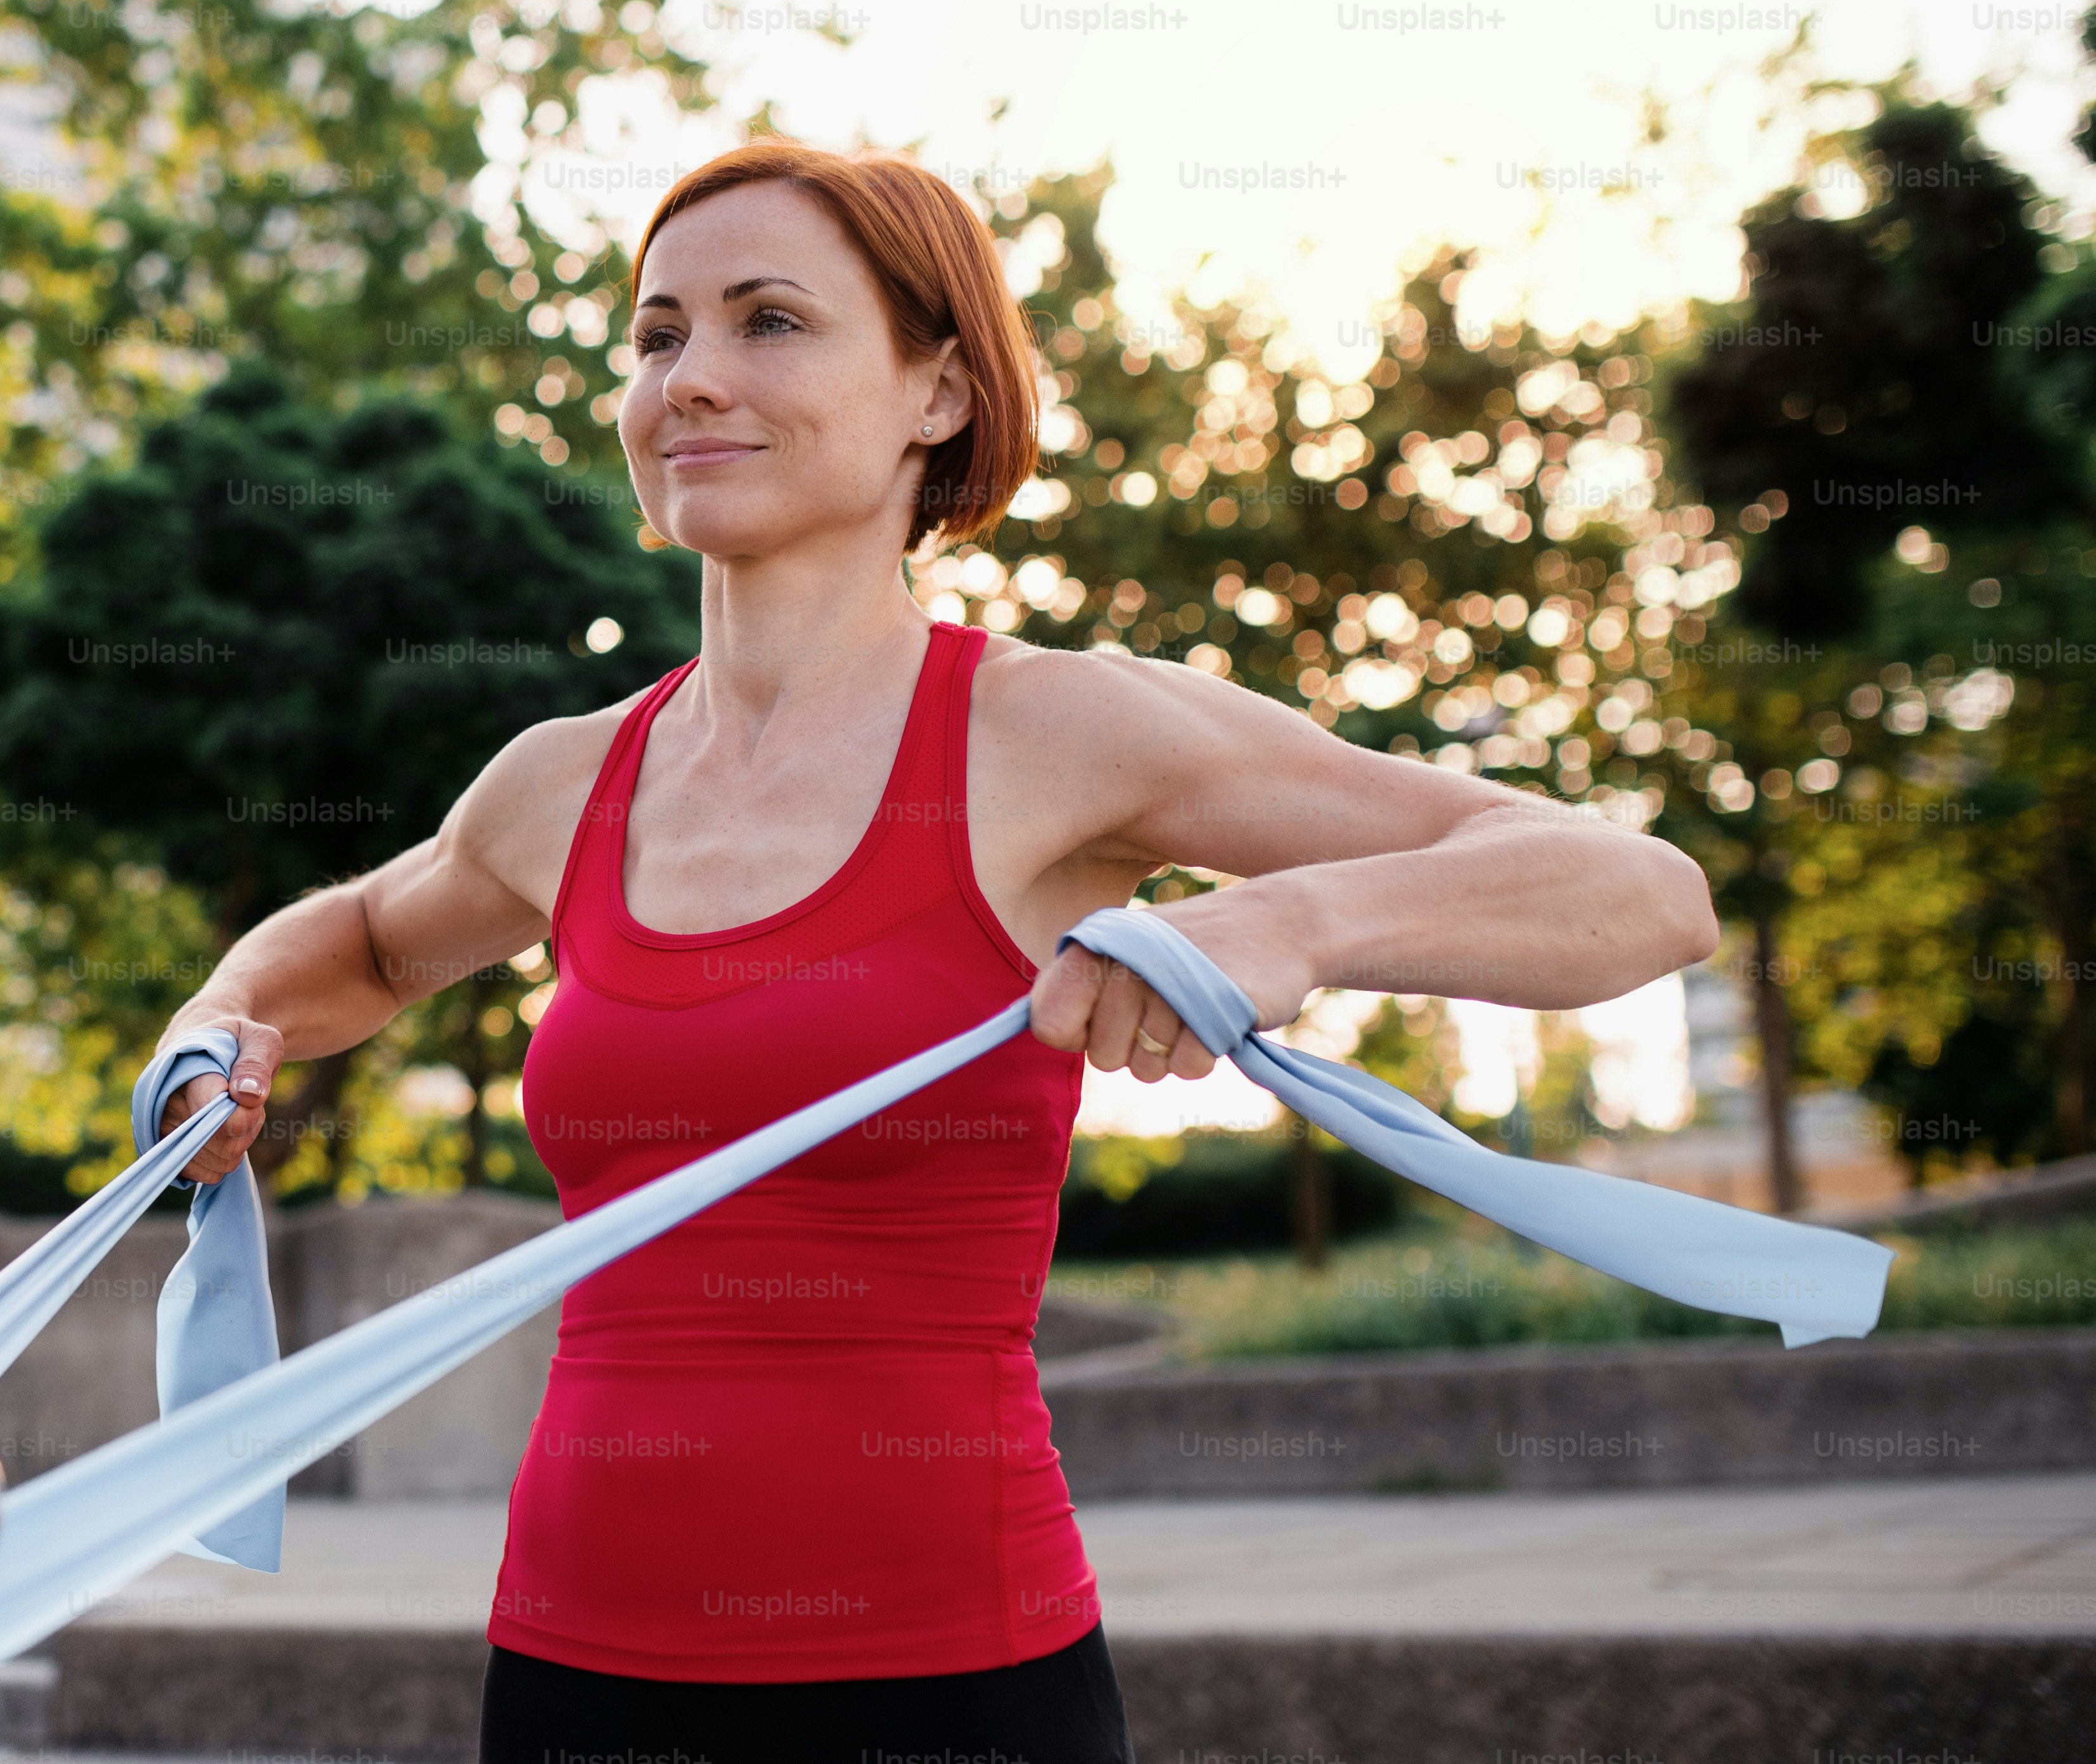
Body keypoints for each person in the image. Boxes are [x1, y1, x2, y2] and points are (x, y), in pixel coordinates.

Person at [147, 138, 1719, 1763]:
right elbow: (361, 944)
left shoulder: (1060, 730)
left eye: (770, 321)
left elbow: (1636, 890)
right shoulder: (565, 781)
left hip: (954, 1686)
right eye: (656, 334)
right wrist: (221, 1019)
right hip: (573, 1680)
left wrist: (1280, 921)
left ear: (940, 394)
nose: (691, 379)